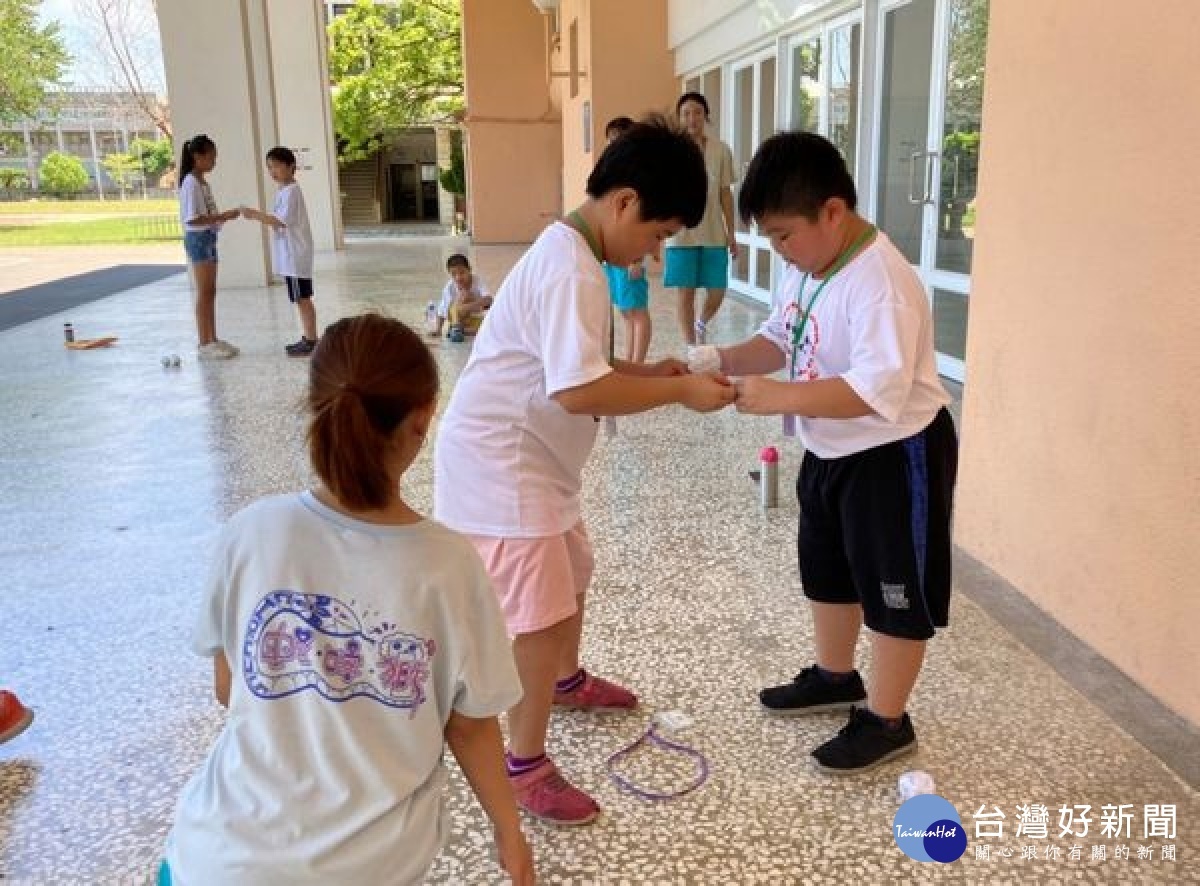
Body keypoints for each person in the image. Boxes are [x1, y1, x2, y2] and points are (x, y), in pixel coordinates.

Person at [434, 117, 736, 827]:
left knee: (571, 574)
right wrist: (678, 390)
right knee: (537, 619)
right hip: (503, 472)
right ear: (624, 203)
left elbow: (583, 371)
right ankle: (524, 765)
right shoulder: (572, 268)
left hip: (536, 466)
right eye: (659, 235)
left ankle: (565, 683)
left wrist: (648, 369)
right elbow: (578, 392)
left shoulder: (571, 253)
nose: (656, 253)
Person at [161, 315, 534, 885]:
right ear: (422, 420)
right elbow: (471, 727)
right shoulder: (449, 565)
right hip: (369, 868)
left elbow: (227, 686)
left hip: (212, 858)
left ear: (315, 407)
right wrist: (510, 832)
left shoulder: (251, 531)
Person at [700, 131, 957, 773]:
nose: (780, 250)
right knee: (828, 568)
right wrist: (720, 360)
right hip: (830, 445)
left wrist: (778, 395)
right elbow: (780, 336)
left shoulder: (881, 283)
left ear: (833, 212)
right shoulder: (811, 267)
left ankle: (888, 719)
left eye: (785, 234)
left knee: (891, 592)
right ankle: (836, 676)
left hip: (894, 453)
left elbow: (877, 392)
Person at [664, 93, 737, 346]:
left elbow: (725, 194)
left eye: (697, 112)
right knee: (685, 294)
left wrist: (732, 233)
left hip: (714, 233)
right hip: (681, 234)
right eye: (686, 113)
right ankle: (691, 347)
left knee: (717, 290)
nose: (692, 118)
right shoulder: (671, 152)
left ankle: (701, 322)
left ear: (706, 115)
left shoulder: (720, 150)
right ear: (679, 118)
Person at [241, 146, 319, 357]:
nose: (272, 171)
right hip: (292, 254)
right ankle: (309, 338)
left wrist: (255, 215)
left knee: (302, 298)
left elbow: (280, 221)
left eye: (276, 166)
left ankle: (311, 340)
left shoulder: (291, 192)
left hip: (295, 255)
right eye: (269, 167)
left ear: (291, 166)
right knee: (301, 298)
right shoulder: (285, 191)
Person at [178, 135, 241, 360]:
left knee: (210, 291)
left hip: (208, 237)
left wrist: (222, 218)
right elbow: (192, 218)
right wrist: (222, 216)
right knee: (204, 291)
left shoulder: (202, 182)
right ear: (198, 156)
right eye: (211, 157)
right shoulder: (190, 183)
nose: (214, 161)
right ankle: (204, 342)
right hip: (199, 239)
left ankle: (212, 338)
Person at [603, 117, 652, 363]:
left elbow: (643, 219)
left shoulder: (638, 176)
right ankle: (631, 359)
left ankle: (638, 362)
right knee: (624, 309)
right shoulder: (613, 172)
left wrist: (637, 258)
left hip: (630, 252)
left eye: (620, 138)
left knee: (637, 310)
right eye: (611, 139)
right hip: (612, 255)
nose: (615, 143)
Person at [432, 254, 491, 341]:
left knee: (489, 328)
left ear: (469, 270)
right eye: (454, 274)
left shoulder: (478, 281)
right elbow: (442, 309)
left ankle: (461, 330)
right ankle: (456, 327)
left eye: (462, 272)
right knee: (462, 297)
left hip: (473, 318)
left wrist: (467, 307)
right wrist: (438, 329)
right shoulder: (450, 287)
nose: (458, 277)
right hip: (457, 317)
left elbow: (489, 299)